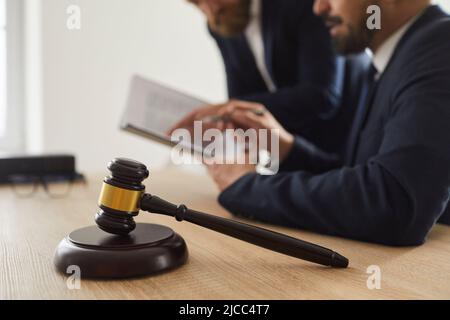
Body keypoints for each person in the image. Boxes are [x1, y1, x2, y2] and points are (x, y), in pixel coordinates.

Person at [206, 0, 450, 246]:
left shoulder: (441, 47)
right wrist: (287, 149)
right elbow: (356, 174)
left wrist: (248, 187)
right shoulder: (391, 61)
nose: (319, 7)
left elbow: (393, 203)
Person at [172, 0, 369, 154]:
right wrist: (226, 118)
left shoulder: (304, 6)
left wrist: (231, 109)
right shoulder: (222, 23)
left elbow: (322, 95)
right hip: (296, 152)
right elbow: (241, 97)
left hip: (351, 140)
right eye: (197, 2)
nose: (211, 10)